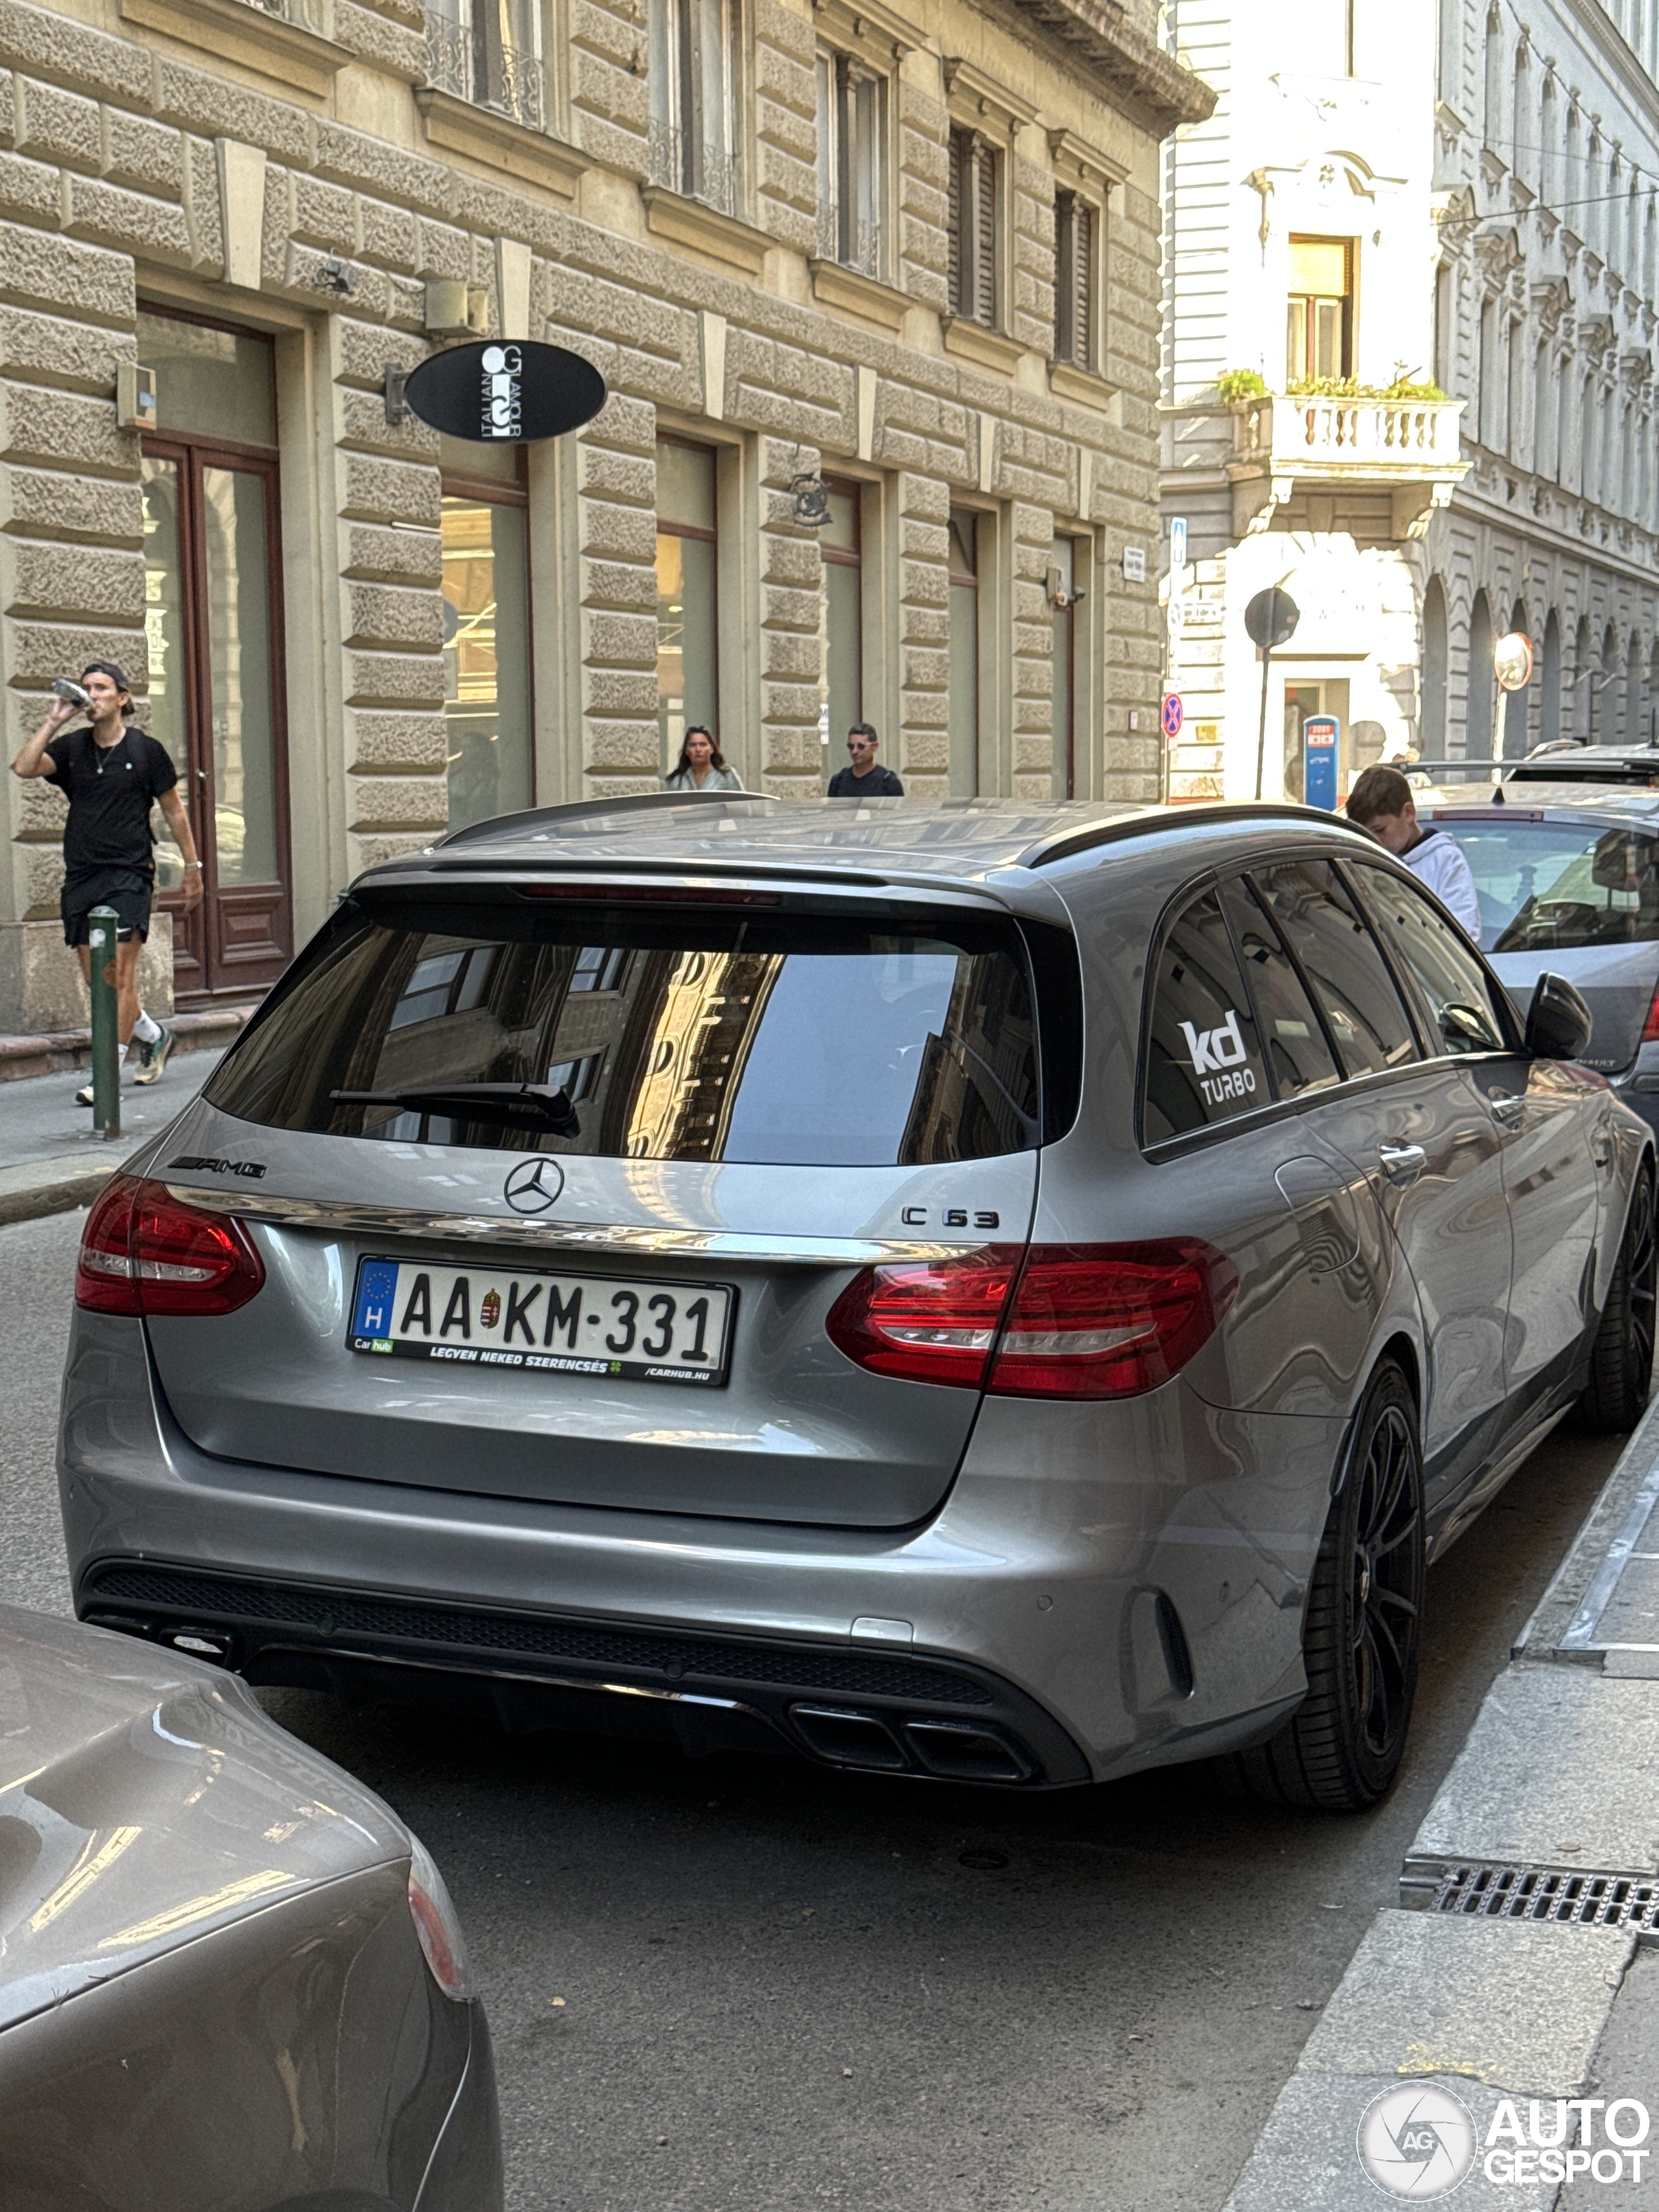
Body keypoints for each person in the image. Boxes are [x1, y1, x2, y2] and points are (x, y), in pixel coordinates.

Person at [10, 662, 202, 1102]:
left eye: (102, 688)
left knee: (117, 975)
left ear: (122, 697)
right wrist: (55, 717)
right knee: (101, 984)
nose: (93, 694)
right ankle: (154, 1037)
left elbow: (174, 810)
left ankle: (107, 1076)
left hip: (129, 875)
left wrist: (193, 867)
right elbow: (23, 767)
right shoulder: (73, 747)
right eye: (88, 687)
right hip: (82, 877)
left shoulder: (146, 750)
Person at [1345, 763, 1481, 940]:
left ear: (1409, 813)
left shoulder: (1445, 861)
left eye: (1380, 830)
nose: (1374, 842)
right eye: (1364, 834)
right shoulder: (1361, 861)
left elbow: (1466, 934)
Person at [827, 722, 904, 798]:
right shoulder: (839, 781)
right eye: (851, 746)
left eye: (861, 746)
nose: (854, 751)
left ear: (875, 747)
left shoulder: (888, 782)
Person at [664, 727, 744, 791]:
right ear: (686, 751)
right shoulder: (677, 780)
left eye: (703, 745)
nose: (698, 749)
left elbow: (742, 805)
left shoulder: (726, 776)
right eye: (693, 745)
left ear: (711, 749)